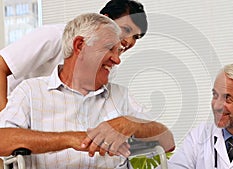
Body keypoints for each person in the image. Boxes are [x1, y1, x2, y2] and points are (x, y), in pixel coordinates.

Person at [0, 13, 175, 169]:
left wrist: (130, 124)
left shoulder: (120, 95)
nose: (117, 60)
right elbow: (3, 138)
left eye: (118, 51)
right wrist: (69, 139)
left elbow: (168, 141)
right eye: (109, 48)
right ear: (79, 46)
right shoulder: (31, 91)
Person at [0, 0, 148, 111]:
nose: (129, 41)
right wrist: (5, 120)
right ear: (106, 19)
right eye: (126, 30)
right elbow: (1, 66)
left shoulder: (109, 65)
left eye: (136, 37)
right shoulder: (55, 36)